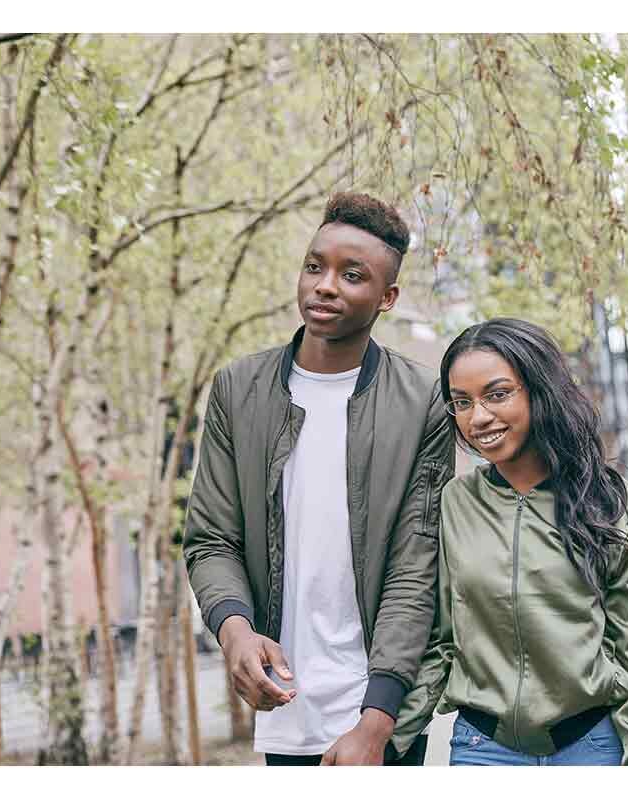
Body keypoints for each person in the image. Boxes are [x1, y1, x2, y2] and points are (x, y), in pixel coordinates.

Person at [183, 192, 454, 766]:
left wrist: (378, 721)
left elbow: (417, 565)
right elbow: (211, 539)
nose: (325, 285)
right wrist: (234, 630)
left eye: (351, 275)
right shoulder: (239, 390)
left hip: (383, 715)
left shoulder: (424, 401)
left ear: (387, 298)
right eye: (315, 266)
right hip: (285, 705)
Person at [387, 318, 628, 766]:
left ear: (538, 390)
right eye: (462, 402)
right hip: (483, 751)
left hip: (593, 745)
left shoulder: (606, 499)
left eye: (497, 394)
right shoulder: (454, 504)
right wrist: (381, 738)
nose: (479, 417)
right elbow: (438, 643)